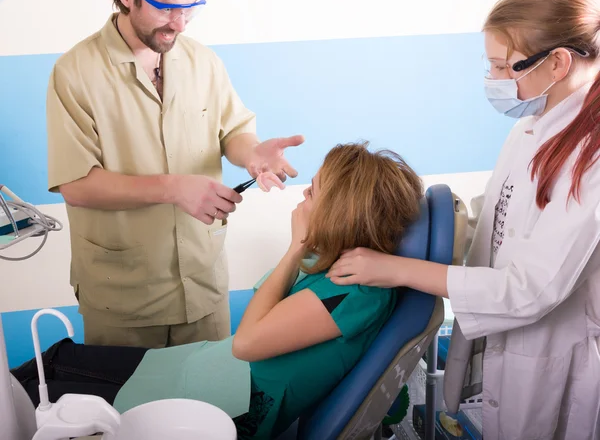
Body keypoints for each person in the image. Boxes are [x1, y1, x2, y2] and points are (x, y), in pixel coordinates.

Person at [327, 0, 600, 439]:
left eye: (502, 66)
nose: (493, 80)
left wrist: (397, 268)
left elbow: (528, 290)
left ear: (557, 62)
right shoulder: (534, 127)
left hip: (553, 354)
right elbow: (500, 222)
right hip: (512, 342)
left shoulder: (589, 158)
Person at [12, 142, 422, 439]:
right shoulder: (337, 266)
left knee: (44, 385)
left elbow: (246, 344)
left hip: (227, 403)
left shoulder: (357, 292)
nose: (303, 195)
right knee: (55, 360)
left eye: (313, 192)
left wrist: (295, 248)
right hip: (214, 369)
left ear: (340, 212)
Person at [45, 0, 304, 349]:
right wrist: (174, 189)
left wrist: (253, 153)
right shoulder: (75, 73)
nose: (180, 24)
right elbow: (76, 184)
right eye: (165, 8)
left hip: (202, 284)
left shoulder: (202, 60)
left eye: (191, 7)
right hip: (124, 295)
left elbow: (233, 130)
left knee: (213, 411)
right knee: (128, 416)